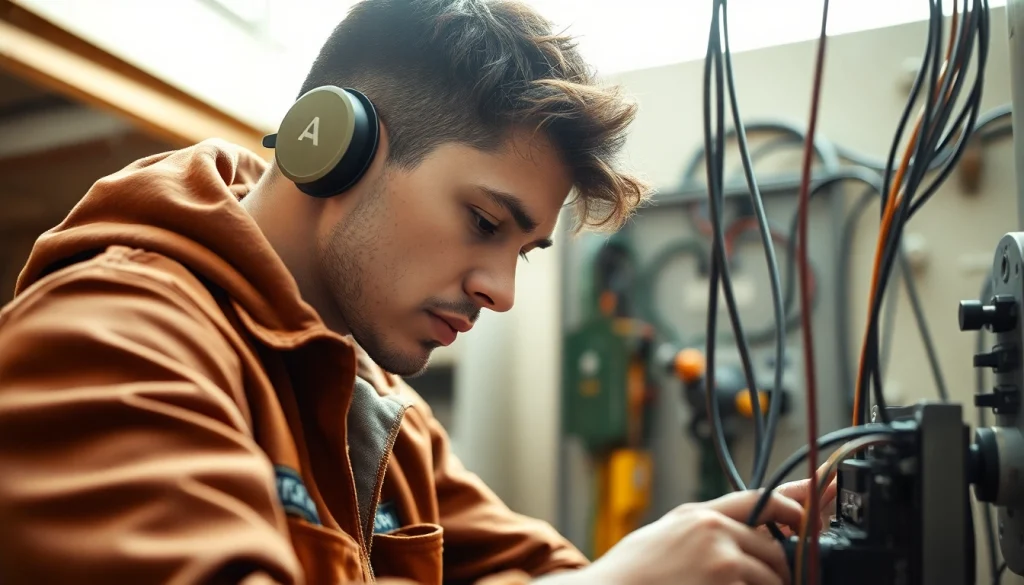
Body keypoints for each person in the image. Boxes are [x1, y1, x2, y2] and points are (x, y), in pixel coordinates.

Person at [0, 0, 835, 584]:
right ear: (333, 145)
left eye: (525, 250)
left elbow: (532, 570)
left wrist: (700, 554)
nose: (499, 291)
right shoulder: (106, 341)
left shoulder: (379, 408)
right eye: (482, 221)